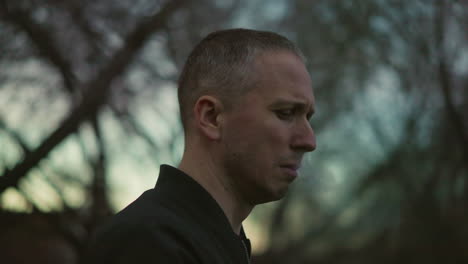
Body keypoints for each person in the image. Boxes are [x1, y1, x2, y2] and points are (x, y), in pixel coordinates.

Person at [86, 28, 316, 264]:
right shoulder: (147, 243)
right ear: (211, 117)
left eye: (308, 117)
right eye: (286, 113)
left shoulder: (209, 242)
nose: (309, 141)